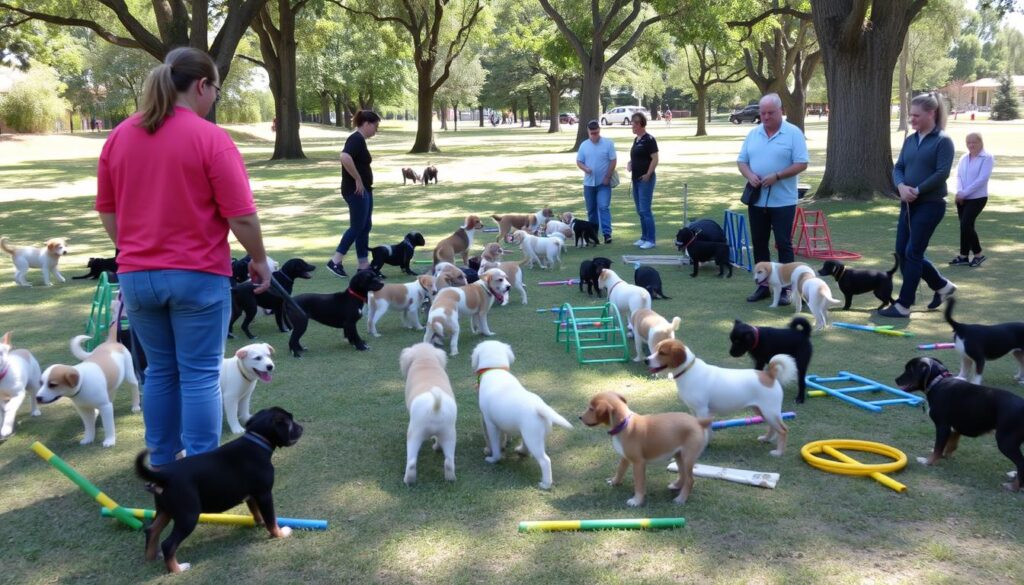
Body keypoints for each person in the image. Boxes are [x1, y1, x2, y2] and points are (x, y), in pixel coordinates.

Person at [95, 47, 272, 467]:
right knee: (199, 376)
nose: (215, 98)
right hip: (197, 275)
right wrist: (260, 259)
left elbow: (107, 210)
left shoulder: (119, 136)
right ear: (201, 85)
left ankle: (162, 461)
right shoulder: (210, 137)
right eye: (217, 89)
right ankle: (200, 467)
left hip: (138, 277)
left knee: (159, 372)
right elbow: (241, 216)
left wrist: (135, 249)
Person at [879, 92, 957, 318]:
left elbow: (942, 172)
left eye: (916, 115)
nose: (911, 119)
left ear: (931, 113)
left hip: (930, 205)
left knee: (913, 253)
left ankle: (904, 305)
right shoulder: (911, 140)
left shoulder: (943, 141)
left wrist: (918, 190)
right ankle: (942, 286)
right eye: (910, 115)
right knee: (903, 252)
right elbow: (899, 167)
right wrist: (901, 186)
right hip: (908, 204)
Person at [737, 93, 809, 304]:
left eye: (770, 113)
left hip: (783, 201)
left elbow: (802, 163)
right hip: (757, 200)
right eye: (763, 113)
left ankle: (789, 289)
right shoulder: (753, 133)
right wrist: (750, 176)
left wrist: (777, 176)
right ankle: (763, 287)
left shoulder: (793, 133)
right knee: (759, 243)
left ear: (781, 111)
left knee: (783, 244)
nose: (766, 117)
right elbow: (742, 161)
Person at [327, 110, 381, 277]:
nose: (376, 130)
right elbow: (344, 157)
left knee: (365, 226)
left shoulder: (360, 141)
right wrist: (357, 179)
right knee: (357, 226)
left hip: (365, 190)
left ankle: (363, 265)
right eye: (375, 126)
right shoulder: (355, 139)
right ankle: (335, 261)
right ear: (366, 123)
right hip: (356, 190)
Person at [949, 132, 993, 268]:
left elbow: (982, 180)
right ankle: (963, 256)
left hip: (978, 198)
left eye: (974, 142)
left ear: (981, 143)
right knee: (965, 226)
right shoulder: (963, 158)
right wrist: (960, 192)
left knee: (965, 224)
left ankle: (978, 254)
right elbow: (959, 176)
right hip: (962, 198)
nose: (971, 145)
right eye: (968, 142)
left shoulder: (987, 158)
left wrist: (964, 193)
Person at [575, 119, 617, 244]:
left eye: (596, 133)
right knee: (591, 210)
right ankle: (593, 234)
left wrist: (607, 177)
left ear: (599, 130)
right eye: (592, 133)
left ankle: (607, 234)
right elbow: (579, 161)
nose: (594, 136)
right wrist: (585, 168)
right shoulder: (584, 145)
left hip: (603, 183)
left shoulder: (608, 144)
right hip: (588, 183)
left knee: (603, 207)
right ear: (588, 131)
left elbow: (613, 161)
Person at [628, 112, 659, 249]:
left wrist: (648, 174)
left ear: (639, 124)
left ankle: (651, 240)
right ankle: (644, 237)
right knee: (640, 210)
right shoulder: (636, 140)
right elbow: (637, 157)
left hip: (645, 179)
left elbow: (655, 158)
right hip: (635, 179)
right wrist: (630, 163)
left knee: (645, 210)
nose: (631, 126)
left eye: (633, 124)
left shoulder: (649, 139)